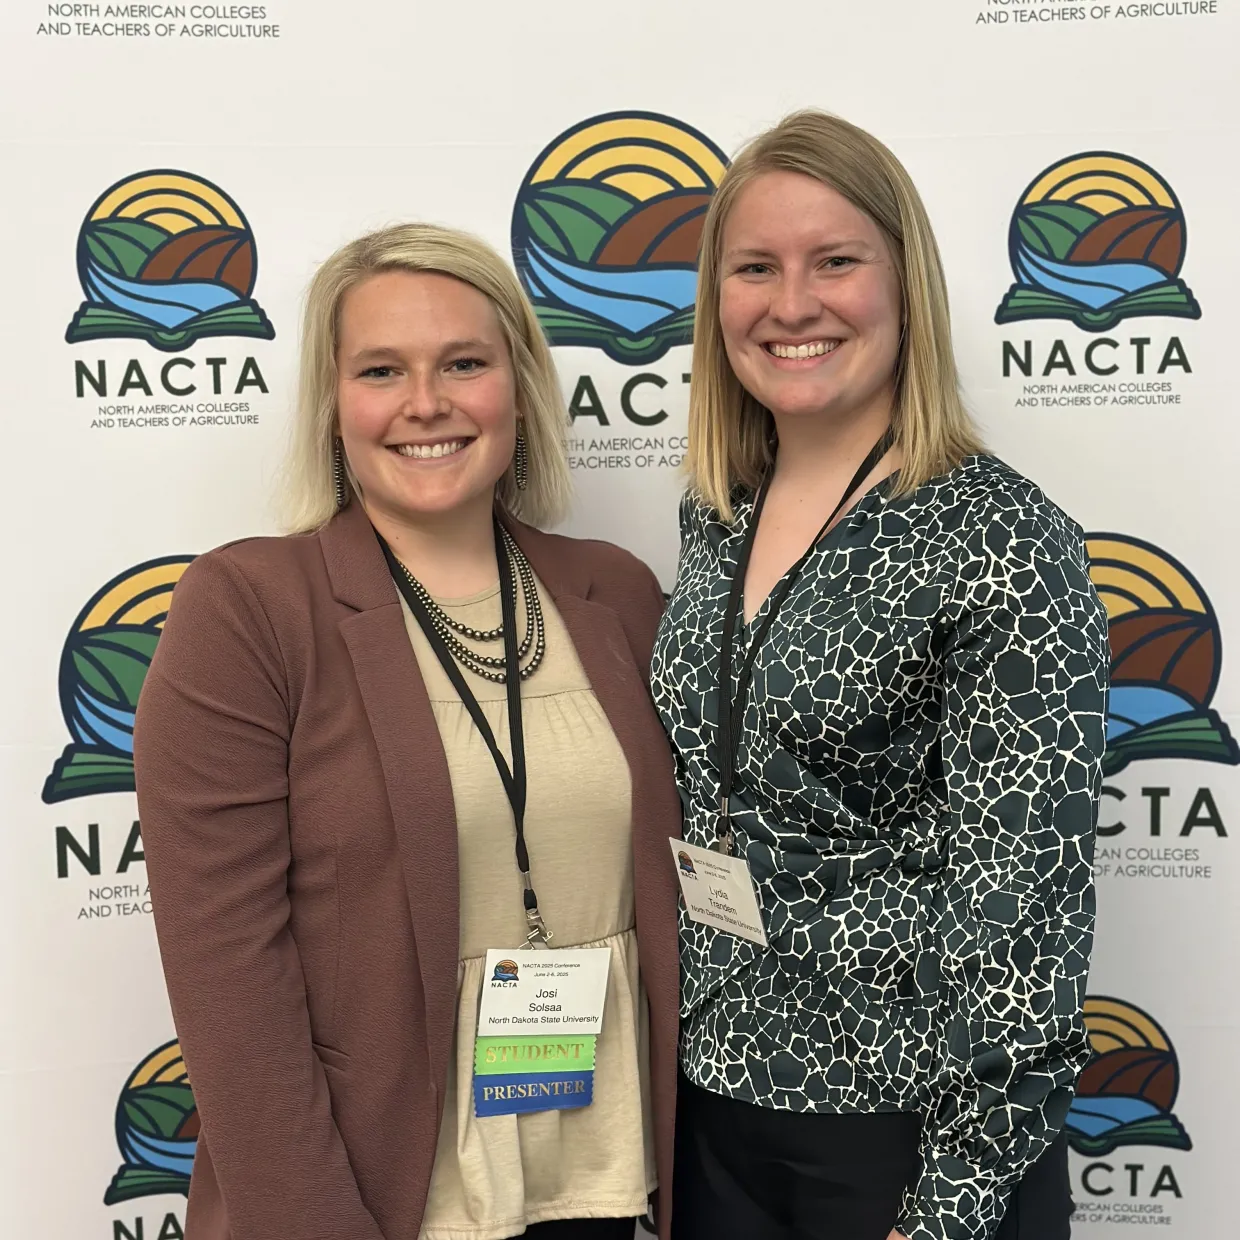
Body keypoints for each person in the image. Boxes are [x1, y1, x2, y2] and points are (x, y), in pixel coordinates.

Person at [134, 223, 683, 1240]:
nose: (425, 403)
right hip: (380, 1202)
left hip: (601, 1185)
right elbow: (232, 993)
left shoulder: (616, 593)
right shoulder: (251, 609)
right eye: (382, 369)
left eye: (463, 364)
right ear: (333, 406)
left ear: (515, 388)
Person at [650, 110, 1109, 1240]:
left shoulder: (995, 536)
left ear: (905, 286)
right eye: (754, 267)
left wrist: (951, 1202)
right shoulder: (718, 514)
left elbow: (1026, 906)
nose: (791, 303)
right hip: (718, 1108)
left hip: (903, 1131)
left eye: (836, 262)